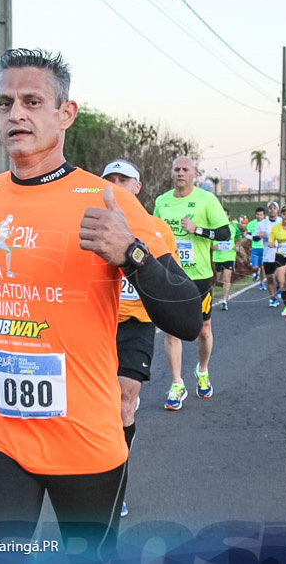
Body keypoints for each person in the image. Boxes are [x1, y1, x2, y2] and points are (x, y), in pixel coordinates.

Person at [0, 49, 201, 560]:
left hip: (85, 436)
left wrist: (131, 254)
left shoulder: (110, 202)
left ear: (66, 114)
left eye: (32, 101)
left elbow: (187, 318)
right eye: (5, 102)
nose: (16, 113)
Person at [100, 158, 178, 518]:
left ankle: (115, 485)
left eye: (123, 179)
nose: (116, 184)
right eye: (109, 180)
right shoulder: (90, 226)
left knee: (123, 403)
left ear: (137, 187)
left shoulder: (158, 228)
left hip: (136, 324)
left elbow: (168, 279)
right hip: (94, 325)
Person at [154, 155, 230, 411]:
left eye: (185, 169)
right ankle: (177, 384)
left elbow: (225, 233)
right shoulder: (161, 202)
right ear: (171, 172)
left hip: (199, 276)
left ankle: (203, 370)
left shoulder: (207, 199)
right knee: (171, 331)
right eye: (176, 169)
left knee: (203, 330)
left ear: (194, 173)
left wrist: (198, 230)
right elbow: (154, 235)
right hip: (170, 275)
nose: (180, 173)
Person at [212, 209, 242, 311]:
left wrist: (237, 246)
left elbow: (239, 237)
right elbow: (209, 242)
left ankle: (224, 301)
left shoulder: (233, 227)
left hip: (229, 256)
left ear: (228, 216)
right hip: (217, 257)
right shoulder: (214, 227)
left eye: (225, 215)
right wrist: (213, 247)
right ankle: (226, 290)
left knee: (227, 278)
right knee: (219, 279)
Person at [255, 202, 282, 306]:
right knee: (270, 277)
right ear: (267, 211)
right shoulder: (262, 224)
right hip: (267, 255)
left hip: (280, 254)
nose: (272, 210)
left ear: (277, 210)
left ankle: (280, 287)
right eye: (270, 208)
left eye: (274, 208)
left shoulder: (281, 222)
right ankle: (273, 298)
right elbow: (255, 238)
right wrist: (259, 236)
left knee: (279, 276)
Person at [245, 207, 267, 290]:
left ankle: (262, 283)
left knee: (263, 267)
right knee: (255, 267)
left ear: (264, 215)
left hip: (264, 248)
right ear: (255, 215)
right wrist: (254, 238)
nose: (259, 216)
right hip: (255, 248)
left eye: (261, 215)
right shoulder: (251, 224)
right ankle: (255, 273)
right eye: (258, 214)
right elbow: (246, 235)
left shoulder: (266, 223)